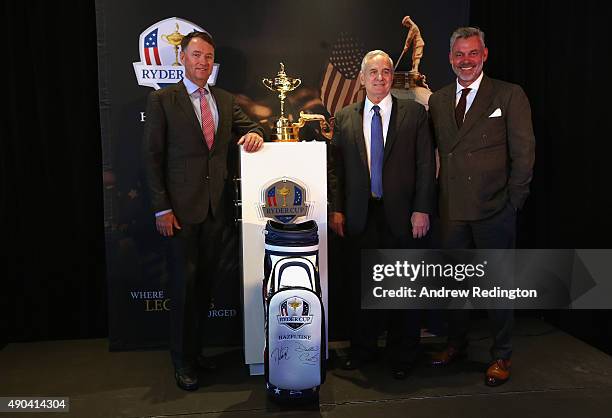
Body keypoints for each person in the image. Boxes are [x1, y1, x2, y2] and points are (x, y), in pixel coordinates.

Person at [142, 30, 264, 391]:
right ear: (182, 58)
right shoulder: (163, 100)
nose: (202, 62)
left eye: (208, 57)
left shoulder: (224, 100)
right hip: (179, 211)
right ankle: (181, 361)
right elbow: (151, 159)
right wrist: (161, 209)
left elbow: (252, 127)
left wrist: (255, 134)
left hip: (216, 210)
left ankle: (196, 354)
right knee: (183, 288)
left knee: (204, 287)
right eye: (196, 55)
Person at [428, 27, 535, 386]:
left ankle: (501, 355)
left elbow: (524, 153)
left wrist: (513, 202)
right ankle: (455, 344)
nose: (466, 61)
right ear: (450, 58)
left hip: (494, 209)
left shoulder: (508, 94)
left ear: (484, 55)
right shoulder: (439, 100)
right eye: (459, 54)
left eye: (473, 53)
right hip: (452, 210)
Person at [328, 50, 435, 379]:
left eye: (385, 71)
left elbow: (425, 166)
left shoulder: (414, 114)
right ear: (361, 78)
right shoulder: (344, 116)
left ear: (392, 77)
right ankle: (363, 351)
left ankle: (403, 355)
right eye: (372, 72)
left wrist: (422, 209)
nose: (379, 77)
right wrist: (337, 210)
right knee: (363, 288)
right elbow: (336, 171)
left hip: (402, 215)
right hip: (361, 216)